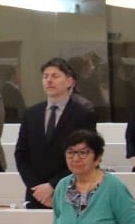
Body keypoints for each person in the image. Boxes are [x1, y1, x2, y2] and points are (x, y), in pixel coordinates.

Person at [14, 57, 97, 209]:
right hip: (36, 193)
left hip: (71, 191)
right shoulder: (31, 114)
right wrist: (37, 188)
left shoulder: (83, 115)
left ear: (70, 82)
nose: (49, 80)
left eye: (55, 76)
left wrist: (52, 186)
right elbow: (21, 155)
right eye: (45, 76)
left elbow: (86, 156)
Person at [50, 130, 135, 224]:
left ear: (97, 158)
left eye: (83, 153)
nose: (75, 158)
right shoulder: (62, 186)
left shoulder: (114, 188)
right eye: (70, 152)